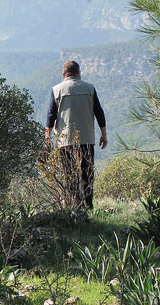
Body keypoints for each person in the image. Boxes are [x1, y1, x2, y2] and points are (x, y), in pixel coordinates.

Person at [44, 60, 107, 209]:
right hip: (86, 138)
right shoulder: (90, 89)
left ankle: (74, 206)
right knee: (87, 174)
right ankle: (88, 206)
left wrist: (47, 137)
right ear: (79, 73)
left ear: (63, 74)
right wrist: (104, 135)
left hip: (65, 140)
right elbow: (99, 113)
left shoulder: (56, 90)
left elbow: (50, 115)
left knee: (69, 174)